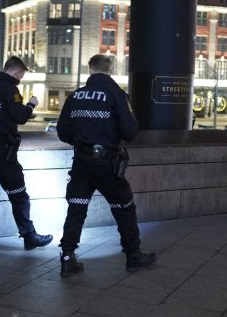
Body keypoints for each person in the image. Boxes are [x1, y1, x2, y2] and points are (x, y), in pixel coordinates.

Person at [55, 54, 156, 276]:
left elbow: (62, 131)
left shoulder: (75, 95)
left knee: (76, 208)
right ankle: (133, 255)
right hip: (106, 162)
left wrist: (82, 143)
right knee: (124, 207)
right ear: (109, 70)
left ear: (90, 69)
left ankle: (67, 257)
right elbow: (130, 131)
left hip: (81, 161)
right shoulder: (116, 94)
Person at [0, 56, 52, 254]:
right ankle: (29, 236)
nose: (20, 79)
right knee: (18, 195)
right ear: (17, 71)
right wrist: (31, 104)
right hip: (4, 152)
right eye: (21, 75)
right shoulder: (9, 89)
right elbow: (20, 117)